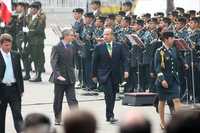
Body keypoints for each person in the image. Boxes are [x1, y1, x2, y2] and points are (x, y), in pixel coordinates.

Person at [92, 28, 128, 123]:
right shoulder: (99, 47)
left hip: (115, 75)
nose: (105, 36)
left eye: (107, 34)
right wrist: (94, 75)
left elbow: (124, 59)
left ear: (112, 35)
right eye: (104, 35)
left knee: (113, 95)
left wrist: (126, 70)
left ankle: (110, 114)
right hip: (104, 75)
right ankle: (110, 115)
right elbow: (94, 62)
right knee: (108, 95)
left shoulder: (119, 46)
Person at [154, 31, 188, 129]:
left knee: (177, 100)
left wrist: (184, 63)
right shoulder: (159, 51)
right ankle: (162, 121)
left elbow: (179, 57)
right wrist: (162, 79)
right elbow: (157, 67)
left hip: (173, 80)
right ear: (166, 39)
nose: (173, 40)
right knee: (162, 101)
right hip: (163, 81)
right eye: (172, 38)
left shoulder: (173, 49)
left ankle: (180, 122)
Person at [50, 28, 78, 125]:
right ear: (66, 36)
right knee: (58, 100)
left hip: (70, 78)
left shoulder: (72, 46)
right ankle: (58, 118)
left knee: (72, 99)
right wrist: (58, 75)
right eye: (71, 35)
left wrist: (75, 74)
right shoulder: (56, 47)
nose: (73, 37)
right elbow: (54, 63)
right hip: (60, 78)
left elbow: (73, 62)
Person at [0, 33, 24, 133]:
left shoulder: (16, 55)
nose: (8, 47)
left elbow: (19, 74)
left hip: (14, 89)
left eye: (10, 45)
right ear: (1, 44)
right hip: (2, 90)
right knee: (1, 116)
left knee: (17, 114)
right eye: (6, 45)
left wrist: (21, 89)